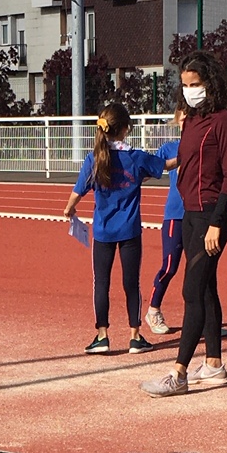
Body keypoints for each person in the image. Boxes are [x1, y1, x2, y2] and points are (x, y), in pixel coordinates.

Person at [142, 52, 227, 397]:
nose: (189, 91)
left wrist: (216, 222)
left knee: (191, 291)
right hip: (187, 213)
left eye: (195, 84)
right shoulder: (191, 120)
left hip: (212, 215)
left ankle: (179, 373)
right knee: (207, 290)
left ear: (209, 83)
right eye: (184, 85)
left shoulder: (222, 120)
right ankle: (214, 365)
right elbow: (184, 159)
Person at [63, 101, 166, 354]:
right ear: (125, 129)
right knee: (132, 283)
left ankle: (102, 336)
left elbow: (77, 193)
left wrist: (69, 210)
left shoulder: (94, 158)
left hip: (103, 231)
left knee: (101, 282)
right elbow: (164, 165)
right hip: (130, 231)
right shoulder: (136, 158)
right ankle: (135, 336)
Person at [144, 102, 189, 337]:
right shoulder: (169, 148)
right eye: (184, 119)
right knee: (170, 266)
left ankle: (203, 319)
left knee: (199, 269)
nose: (188, 123)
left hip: (199, 215)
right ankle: (153, 310)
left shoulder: (205, 147)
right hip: (175, 215)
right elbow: (146, 170)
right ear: (178, 121)